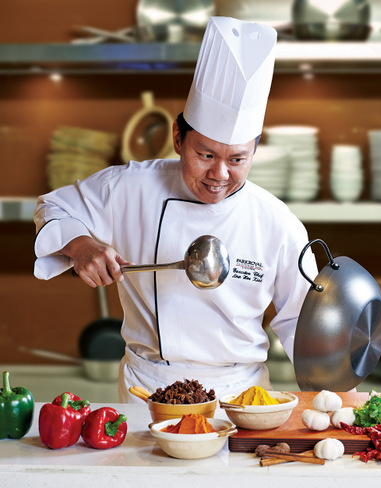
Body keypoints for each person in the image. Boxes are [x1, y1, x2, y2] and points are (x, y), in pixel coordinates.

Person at [33, 17, 318, 403]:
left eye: (237, 159)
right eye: (205, 154)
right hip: (147, 389)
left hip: (242, 397)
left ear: (254, 150)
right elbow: (52, 208)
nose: (219, 174)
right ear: (177, 138)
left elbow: (308, 326)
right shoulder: (129, 186)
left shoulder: (278, 223)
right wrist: (80, 245)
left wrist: (336, 400)